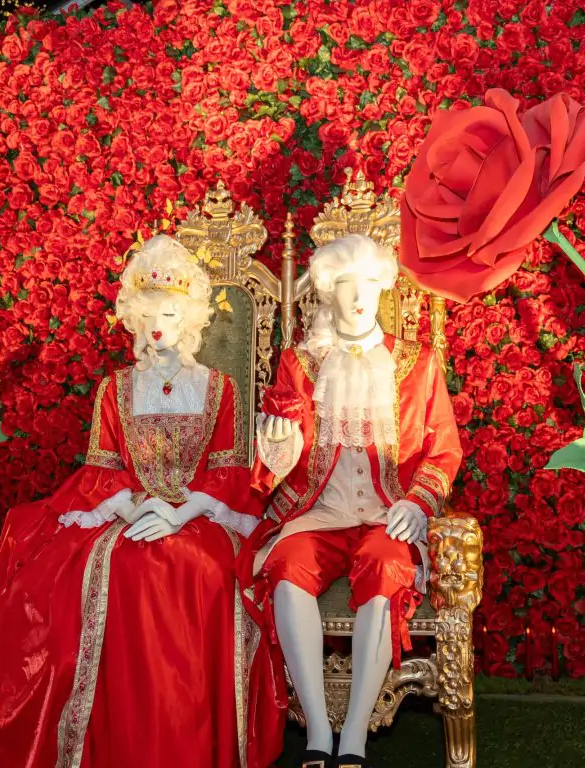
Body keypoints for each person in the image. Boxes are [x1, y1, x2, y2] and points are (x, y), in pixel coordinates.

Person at [0, 234, 283, 768]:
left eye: (172, 314)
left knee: (193, 566)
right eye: (150, 312)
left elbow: (228, 473)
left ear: (190, 320)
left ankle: (185, 742)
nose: (159, 324)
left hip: (197, 514)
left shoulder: (219, 388)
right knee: (123, 563)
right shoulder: (115, 389)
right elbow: (102, 470)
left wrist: (176, 513)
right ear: (134, 317)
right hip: (131, 511)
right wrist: (136, 510)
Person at [239, 234, 463, 768]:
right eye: (345, 285)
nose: (358, 296)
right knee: (288, 566)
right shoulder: (301, 363)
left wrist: (418, 502)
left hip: (388, 514)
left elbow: (444, 448)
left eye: (367, 283)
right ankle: (318, 728)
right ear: (326, 293)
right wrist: (276, 444)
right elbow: (281, 446)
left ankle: (356, 735)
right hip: (318, 511)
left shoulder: (418, 362)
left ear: (382, 288)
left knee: (387, 568)